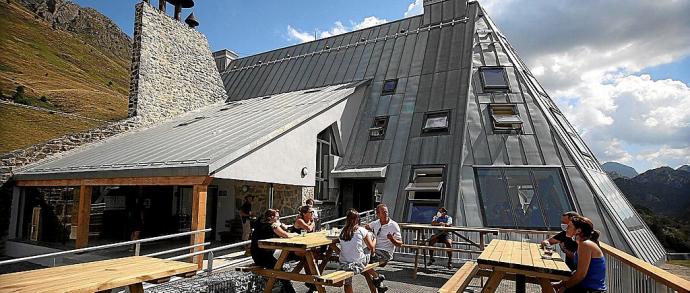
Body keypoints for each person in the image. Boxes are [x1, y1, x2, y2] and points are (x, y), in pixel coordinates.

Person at [553, 216, 607, 293]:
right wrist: (561, 283)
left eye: (569, 226)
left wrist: (564, 287)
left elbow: (580, 275)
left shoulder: (585, 245)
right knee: (548, 287)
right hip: (584, 287)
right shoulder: (582, 244)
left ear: (578, 230)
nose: (566, 229)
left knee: (546, 287)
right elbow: (577, 271)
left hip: (591, 290)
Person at [251, 209, 297, 293]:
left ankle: (284, 290)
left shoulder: (260, 224)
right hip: (263, 257)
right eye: (277, 217)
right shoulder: (273, 226)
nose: (279, 218)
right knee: (281, 271)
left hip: (257, 255)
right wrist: (295, 235)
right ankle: (291, 291)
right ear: (272, 217)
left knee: (281, 266)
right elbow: (286, 235)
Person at [338, 209, 384, 293]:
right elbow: (371, 248)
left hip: (344, 263)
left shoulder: (342, 232)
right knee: (366, 249)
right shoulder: (361, 230)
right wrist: (375, 239)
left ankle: (376, 277)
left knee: (347, 282)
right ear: (357, 219)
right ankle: (376, 275)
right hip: (358, 262)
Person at [365, 203, 402, 291]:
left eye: (387, 212)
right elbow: (366, 227)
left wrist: (392, 239)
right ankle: (379, 284)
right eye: (384, 212)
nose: (386, 214)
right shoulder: (376, 223)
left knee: (360, 260)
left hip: (385, 253)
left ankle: (377, 277)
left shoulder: (393, 225)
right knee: (361, 263)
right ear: (378, 214)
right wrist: (366, 232)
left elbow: (400, 244)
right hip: (375, 251)